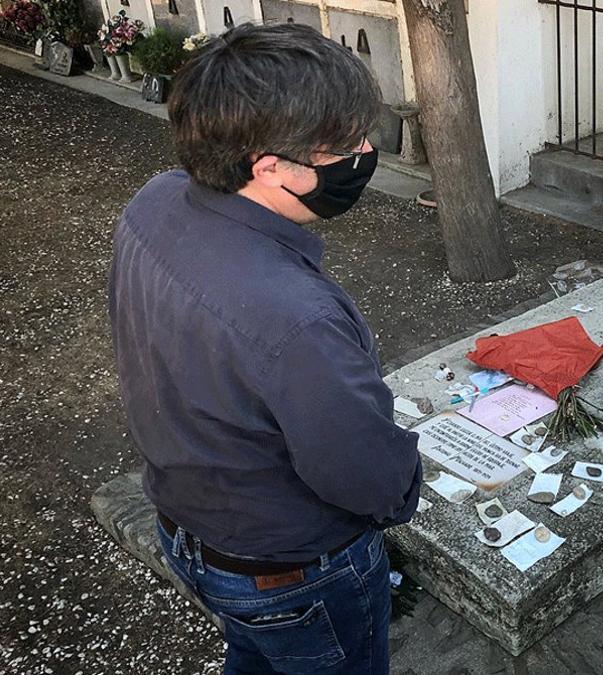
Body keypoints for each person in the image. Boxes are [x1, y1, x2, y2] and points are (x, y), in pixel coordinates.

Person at [108, 23, 421, 674]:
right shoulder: (299, 320)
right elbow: (365, 474)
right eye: (346, 147)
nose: (366, 153)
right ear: (271, 168)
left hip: (184, 527)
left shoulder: (152, 202)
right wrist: (405, 490)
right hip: (293, 574)